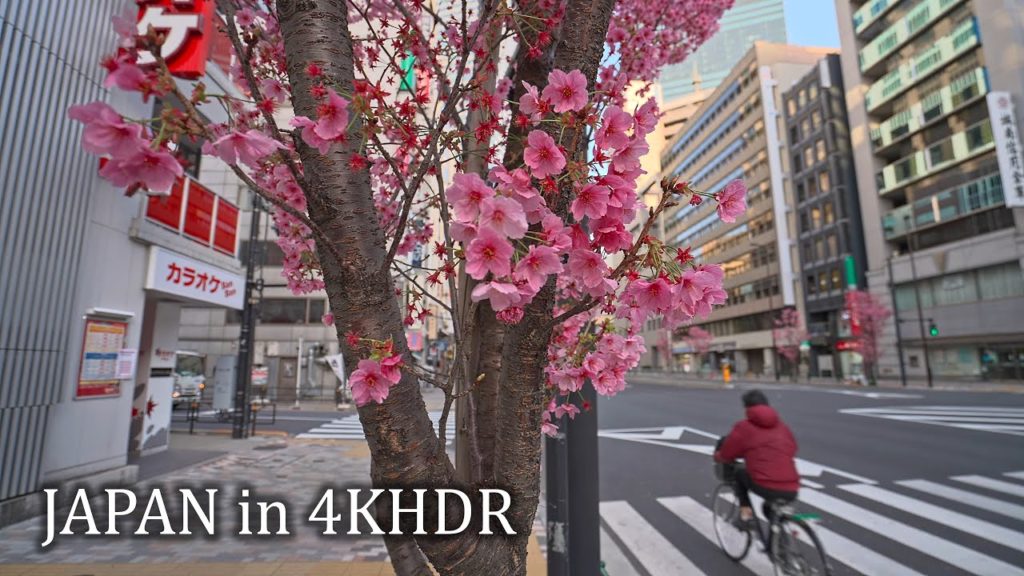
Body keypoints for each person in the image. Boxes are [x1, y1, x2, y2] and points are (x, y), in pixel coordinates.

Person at [714, 389, 799, 529]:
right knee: (770, 509)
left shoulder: (744, 427)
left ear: (747, 408)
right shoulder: (782, 427)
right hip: (792, 487)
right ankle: (781, 545)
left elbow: (727, 454)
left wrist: (718, 456)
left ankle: (746, 517)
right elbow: (793, 448)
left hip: (765, 484)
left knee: (739, 474)